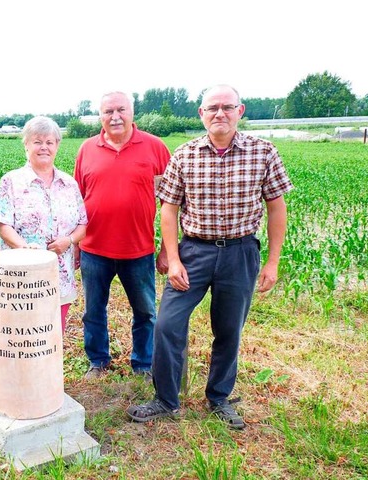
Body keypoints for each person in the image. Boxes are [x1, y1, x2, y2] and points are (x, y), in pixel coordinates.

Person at [126, 84, 294, 429]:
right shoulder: (185, 155)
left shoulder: (264, 152)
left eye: (227, 107)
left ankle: (219, 397)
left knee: (229, 329)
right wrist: (173, 259)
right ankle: (166, 399)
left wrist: (273, 261)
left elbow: (276, 208)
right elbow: (169, 211)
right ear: (201, 114)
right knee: (169, 324)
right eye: (212, 108)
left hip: (240, 252)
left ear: (240, 111)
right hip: (194, 252)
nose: (220, 113)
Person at [74, 91, 171, 380]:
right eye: (108, 112)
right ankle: (98, 360)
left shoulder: (155, 148)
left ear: (132, 113)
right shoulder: (87, 149)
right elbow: (77, 200)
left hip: (138, 250)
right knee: (93, 311)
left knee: (145, 312)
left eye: (121, 110)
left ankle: (143, 363)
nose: (115, 117)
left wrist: (167, 249)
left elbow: (171, 203)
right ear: (100, 116)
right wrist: (77, 244)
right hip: (94, 248)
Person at [0, 116, 87, 332]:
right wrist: (26, 249)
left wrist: (69, 240)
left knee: (53, 332)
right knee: (21, 333)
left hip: (59, 273)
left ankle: (50, 367)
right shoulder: (11, 181)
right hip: (21, 276)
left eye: (49, 142)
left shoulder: (69, 184)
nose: (44, 147)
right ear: (26, 144)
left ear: (57, 146)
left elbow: (82, 224)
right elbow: (3, 225)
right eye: (37, 142)